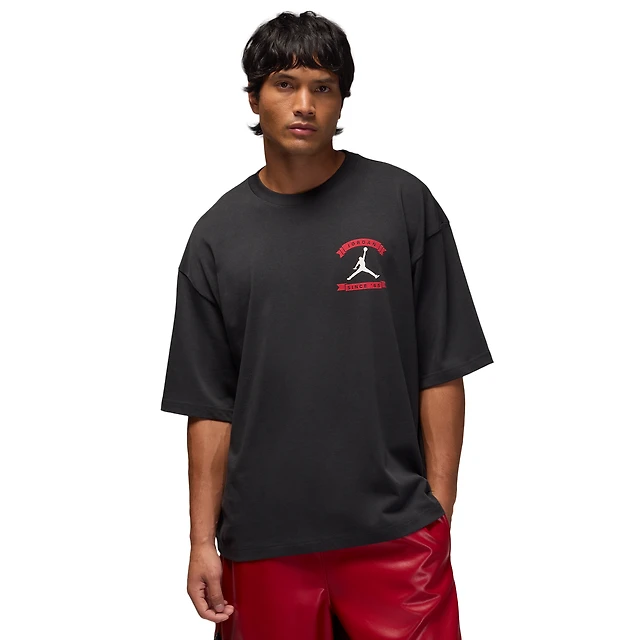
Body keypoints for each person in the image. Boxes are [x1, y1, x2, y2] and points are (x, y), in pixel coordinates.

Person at [160, 10, 494, 640]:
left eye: (323, 87)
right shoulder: (216, 237)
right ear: (255, 97)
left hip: (394, 537)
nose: (304, 105)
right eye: (285, 84)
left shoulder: (403, 204)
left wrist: (438, 515)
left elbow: (442, 369)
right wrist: (202, 541)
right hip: (263, 542)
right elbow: (209, 408)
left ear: (342, 101)